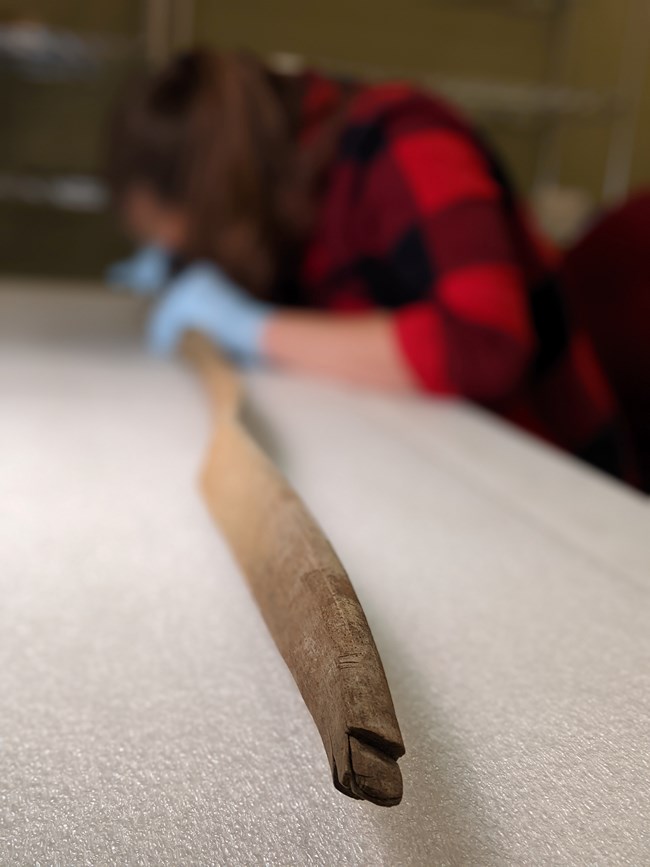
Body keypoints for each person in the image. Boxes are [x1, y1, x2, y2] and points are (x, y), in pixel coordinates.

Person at [106, 48, 641, 488]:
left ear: (221, 191)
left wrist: (251, 327)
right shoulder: (275, 189)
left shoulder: (406, 138)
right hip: (430, 458)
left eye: (190, 237)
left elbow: (484, 343)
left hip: (553, 484)